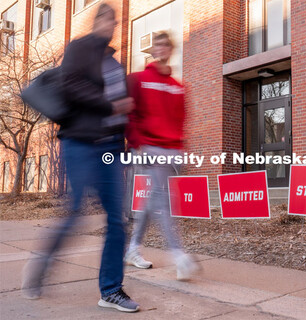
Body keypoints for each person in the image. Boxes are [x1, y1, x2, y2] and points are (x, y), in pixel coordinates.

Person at [21, 4, 140, 313]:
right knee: (74, 212)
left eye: (114, 20)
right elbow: (71, 85)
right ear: (95, 21)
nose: (111, 24)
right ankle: (42, 266)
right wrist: (110, 107)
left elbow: (123, 106)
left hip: (112, 148)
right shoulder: (79, 48)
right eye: (105, 19)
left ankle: (111, 290)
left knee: (118, 219)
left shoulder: (115, 64)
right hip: (80, 143)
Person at [125, 31, 199, 280]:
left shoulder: (179, 87)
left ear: (171, 49)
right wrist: (138, 143)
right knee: (166, 199)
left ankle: (133, 248)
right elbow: (130, 114)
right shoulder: (139, 79)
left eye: (166, 44)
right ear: (153, 50)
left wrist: (179, 148)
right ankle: (179, 256)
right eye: (157, 45)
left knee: (154, 198)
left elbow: (181, 119)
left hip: (171, 149)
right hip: (149, 147)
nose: (161, 48)